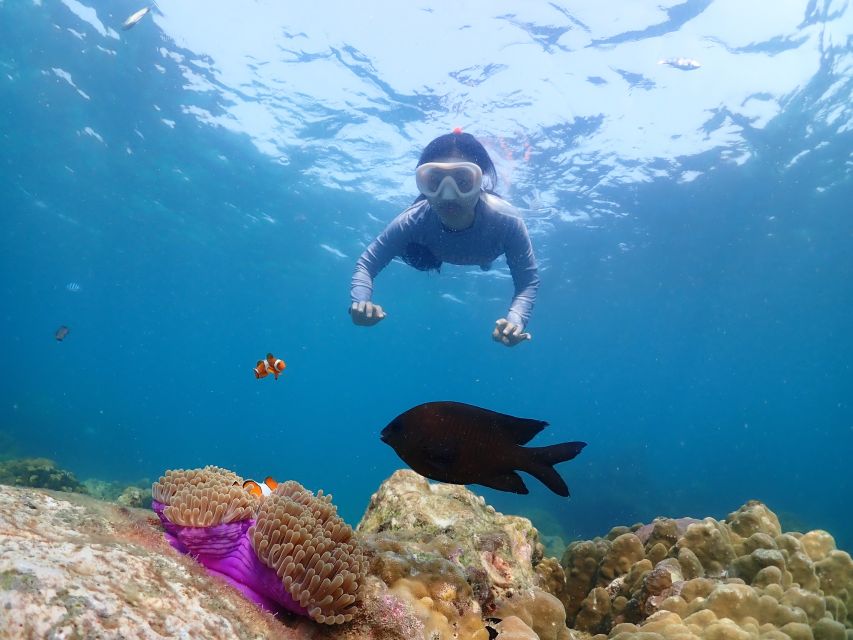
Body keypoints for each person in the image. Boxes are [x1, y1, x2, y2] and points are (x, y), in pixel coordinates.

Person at [349, 129, 540, 347]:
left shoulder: (507, 221)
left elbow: (527, 281)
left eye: (463, 181)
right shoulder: (413, 221)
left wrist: (515, 322)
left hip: (484, 251)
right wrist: (360, 302)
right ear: (422, 184)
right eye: (435, 182)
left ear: (480, 181)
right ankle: (483, 261)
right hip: (440, 251)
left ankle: (485, 263)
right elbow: (367, 264)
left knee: (485, 262)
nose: (448, 194)